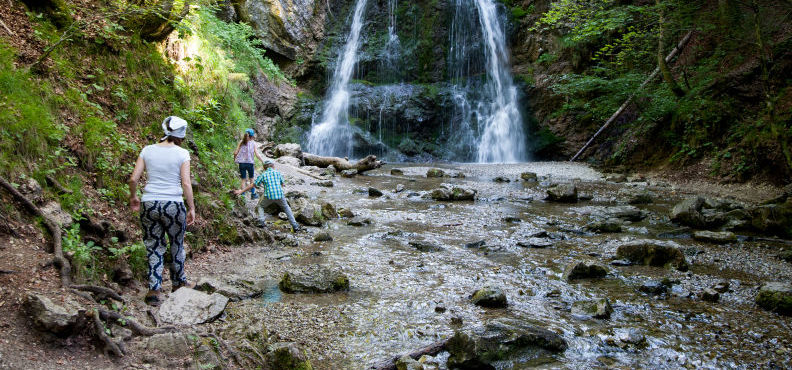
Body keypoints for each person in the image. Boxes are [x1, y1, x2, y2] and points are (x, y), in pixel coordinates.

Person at [128, 116, 196, 306]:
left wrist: (134, 197)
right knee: (176, 243)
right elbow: (185, 183)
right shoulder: (182, 153)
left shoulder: (147, 150)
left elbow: (133, 179)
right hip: (173, 204)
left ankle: (154, 289)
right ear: (180, 135)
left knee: (153, 246)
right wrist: (191, 207)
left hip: (149, 203)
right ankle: (178, 283)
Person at [234, 159, 302, 233]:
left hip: (269, 195)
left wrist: (241, 191)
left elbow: (253, 185)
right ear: (273, 166)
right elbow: (282, 184)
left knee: (261, 206)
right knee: (286, 208)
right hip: (279, 195)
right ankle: (295, 226)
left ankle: (261, 221)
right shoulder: (277, 173)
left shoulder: (263, 174)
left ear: (264, 168)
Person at [233, 128, 266, 200]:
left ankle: (243, 195)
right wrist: (263, 161)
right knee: (251, 179)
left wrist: (234, 159)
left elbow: (235, 152)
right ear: (252, 136)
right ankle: (253, 194)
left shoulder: (241, 142)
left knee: (243, 179)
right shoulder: (253, 143)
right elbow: (257, 155)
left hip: (242, 163)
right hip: (250, 163)